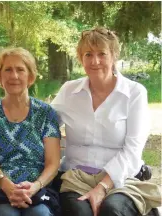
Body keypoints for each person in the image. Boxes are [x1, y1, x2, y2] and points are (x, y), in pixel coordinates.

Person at [51, 27, 161, 216]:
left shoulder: (134, 93)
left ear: (114, 56)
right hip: (76, 178)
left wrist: (102, 187)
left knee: (112, 210)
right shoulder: (69, 91)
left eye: (102, 54)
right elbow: (42, 124)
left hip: (122, 179)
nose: (95, 61)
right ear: (80, 57)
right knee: (80, 212)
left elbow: (133, 149)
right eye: (88, 54)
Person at [0, 47, 61, 216]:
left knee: (40, 214)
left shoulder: (45, 113)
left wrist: (35, 186)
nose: (14, 76)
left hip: (38, 189)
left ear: (30, 76)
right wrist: (8, 187)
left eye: (20, 70)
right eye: (8, 70)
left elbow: (53, 163)